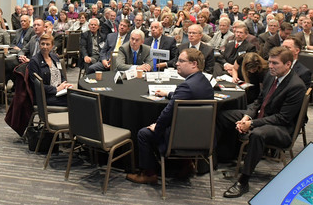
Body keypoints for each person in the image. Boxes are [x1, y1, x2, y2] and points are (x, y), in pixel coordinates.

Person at [218, 47, 306, 198]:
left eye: (275, 63)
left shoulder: (296, 86)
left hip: (282, 129)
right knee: (223, 116)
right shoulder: (271, 76)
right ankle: (223, 156)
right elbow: (259, 101)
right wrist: (247, 117)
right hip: (264, 117)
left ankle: (243, 181)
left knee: (258, 134)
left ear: (288, 64)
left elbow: (282, 118)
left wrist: (251, 124)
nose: (270, 66)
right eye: (270, 62)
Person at [126, 48, 214, 184]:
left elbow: (166, 114)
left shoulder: (186, 87)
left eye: (181, 61)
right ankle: (187, 165)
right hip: (201, 137)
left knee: (144, 133)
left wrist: (157, 128)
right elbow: (190, 98)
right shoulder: (205, 83)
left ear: (194, 64)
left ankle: (149, 174)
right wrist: (168, 94)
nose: (176, 64)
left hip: (180, 139)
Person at [28, 34, 73, 107]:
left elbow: (61, 75)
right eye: (42, 44)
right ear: (39, 45)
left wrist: (64, 84)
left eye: (47, 44)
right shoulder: (34, 61)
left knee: (77, 95)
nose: (45, 46)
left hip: (59, 91)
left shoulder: (55, 57)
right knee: (74, 100)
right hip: (45, 96)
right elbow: (36, 85)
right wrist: (56, 89)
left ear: (52, 46)